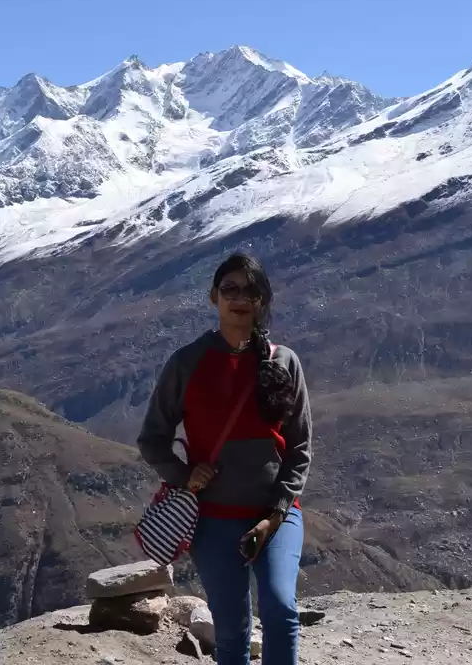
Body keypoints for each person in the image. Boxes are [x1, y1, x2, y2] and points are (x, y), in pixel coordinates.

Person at [137, 252, 312, 665]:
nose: (240, 298)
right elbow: (153, 438)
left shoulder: (284, 362)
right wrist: (183, 475)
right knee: (232, 630)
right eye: (230, 288)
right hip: (213, 517)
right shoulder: (188, 363)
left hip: (277, 515)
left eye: (250, 290)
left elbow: (300, 448)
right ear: (213, 296)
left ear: (262, 300)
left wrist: (275, 515)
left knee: (281, 608)